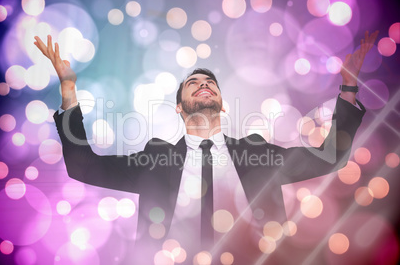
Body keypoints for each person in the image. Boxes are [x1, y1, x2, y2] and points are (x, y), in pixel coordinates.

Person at [34, 30, 378, 264]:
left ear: (223, 104)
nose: (203, 85)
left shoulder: (258, 154)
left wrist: (348, 90)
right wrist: (68, 92)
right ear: (180, 108)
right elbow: (82, 166)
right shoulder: (156, 159)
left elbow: (330, 157)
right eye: (194, 83)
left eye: (209, 82)